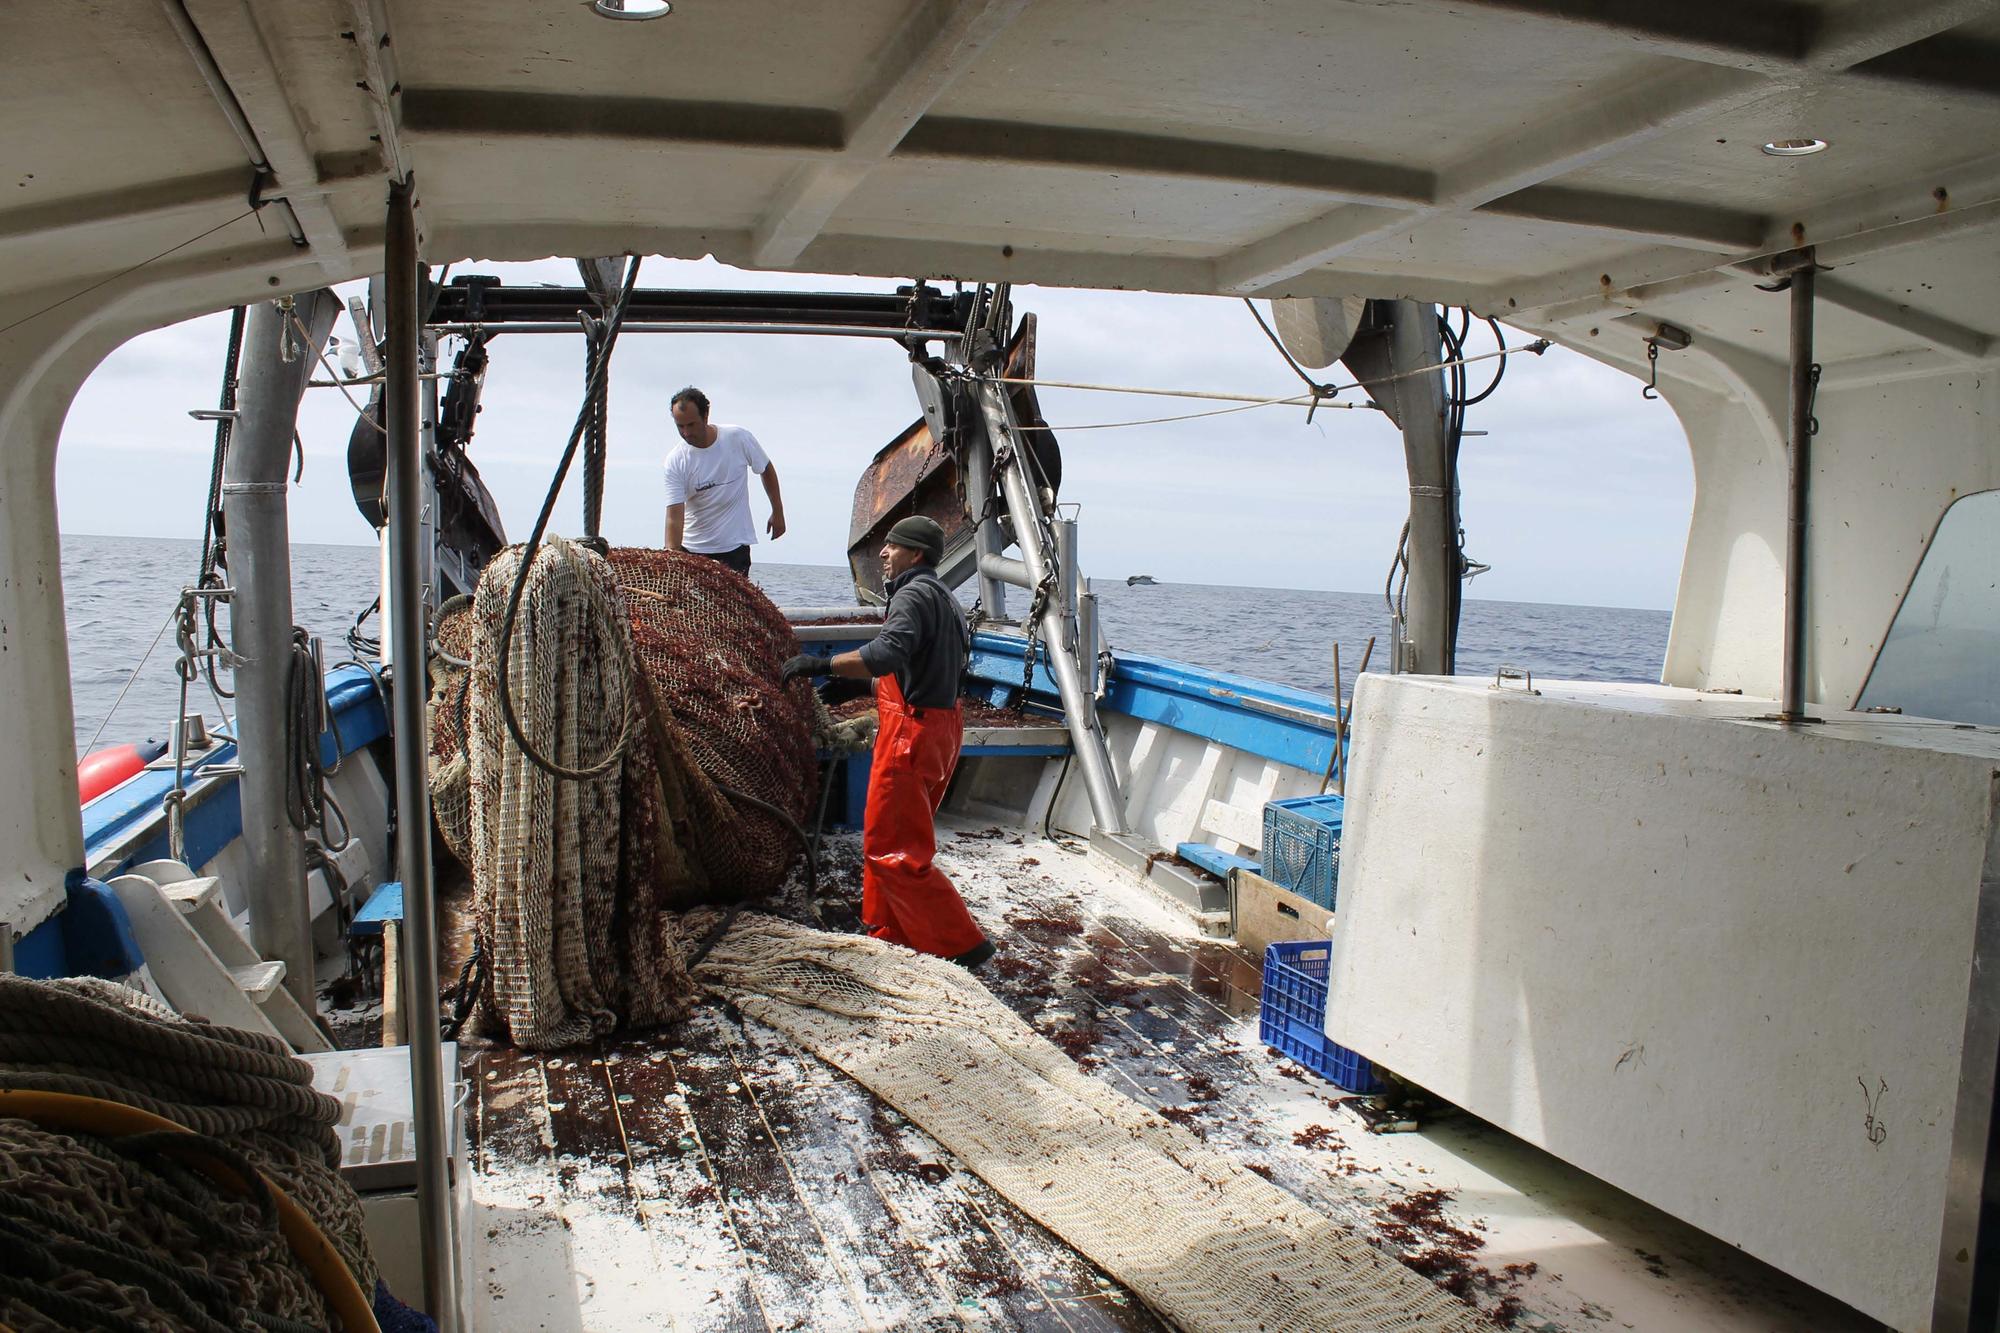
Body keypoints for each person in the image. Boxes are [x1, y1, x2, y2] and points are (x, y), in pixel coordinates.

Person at [782, 516, 994, 970]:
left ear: (915, 554)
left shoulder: (913, 594)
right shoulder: (945, 598)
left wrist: (822, 667)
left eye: (892, 546)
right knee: (890, 837)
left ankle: (962, 943)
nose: (883, 553)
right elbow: (920, 670)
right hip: (940, 727)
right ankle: (887, 928)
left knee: (893, 848)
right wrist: (859, 688)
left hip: (910, 734)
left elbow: (886, 653)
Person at [663, 386, 785, 575]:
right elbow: (674, 516)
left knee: (735, 604)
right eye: (680, 426)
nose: (686, 433)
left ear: (706, 416)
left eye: (691, 425)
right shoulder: (676, 460)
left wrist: (777, 511)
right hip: (693, 549)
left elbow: (766, 468)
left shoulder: (737, 438)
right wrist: (672, 557)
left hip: (734, 548)